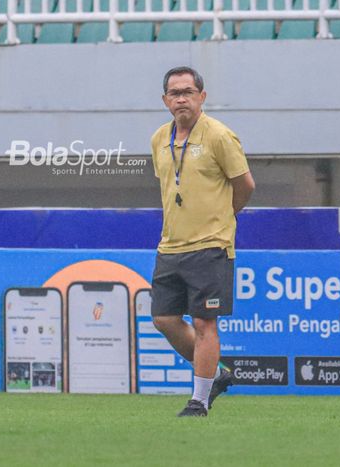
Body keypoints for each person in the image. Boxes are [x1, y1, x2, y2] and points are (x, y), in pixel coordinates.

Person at [150, 66, 255, 417]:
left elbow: (245, 185)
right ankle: (217, 371)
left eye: (188, 92)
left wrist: (226, 219)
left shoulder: (219, 136)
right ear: (165, 100)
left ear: (202, 97)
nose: (182, 98)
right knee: (164, 319)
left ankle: (199, 400)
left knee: (204, 322)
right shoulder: (158, 140)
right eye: (175, 93)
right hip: (171, 246)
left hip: (210, 245)